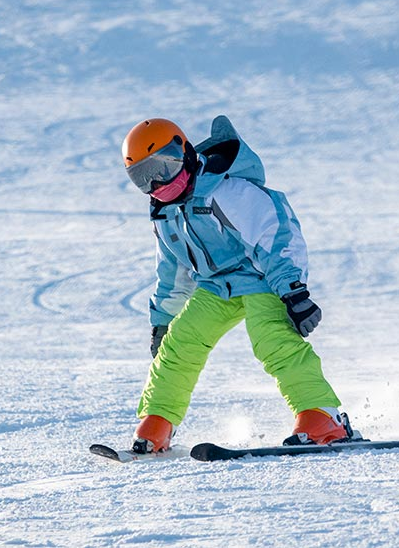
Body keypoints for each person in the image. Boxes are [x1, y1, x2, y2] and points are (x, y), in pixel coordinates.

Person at [121, 116, 359, 453]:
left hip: (262, 277)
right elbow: (173, 271)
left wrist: (293, 291)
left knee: (272, 340)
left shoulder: (227, 190)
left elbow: (275, 234)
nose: (158, 183)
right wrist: (163, 320)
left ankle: (323, 416)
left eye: (164, 167)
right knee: (179, 345)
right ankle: (157, 421)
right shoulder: (166, 213)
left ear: (185, 154)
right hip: (217, 287)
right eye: (144, 177)